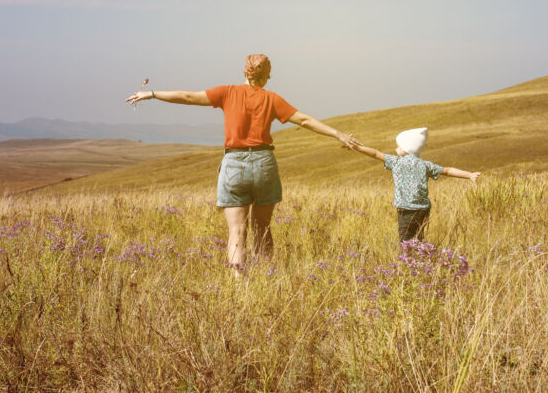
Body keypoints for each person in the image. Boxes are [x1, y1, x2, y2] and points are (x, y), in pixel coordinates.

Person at [126, 54, 359, 273]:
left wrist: (152, 94)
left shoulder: (227, 93)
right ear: (267, 75)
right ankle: (266, 279)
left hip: (234, 164)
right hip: (264, 163)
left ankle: (238, 284)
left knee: (237, 231)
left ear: (245, 72)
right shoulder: (272, 99)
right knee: (263, 230)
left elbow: (187, 97)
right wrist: (339, 134)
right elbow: (305, 120)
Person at [347, 127, 481, 244]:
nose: (396, 148)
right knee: (418, 238)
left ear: (406, 148)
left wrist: (356, 147)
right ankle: (420, 259)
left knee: (406, 241)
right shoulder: (425, 164)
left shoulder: (396, 162)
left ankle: (410, 264)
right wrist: (469, 175)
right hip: (423, 209)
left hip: (406, 209)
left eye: (398, 146)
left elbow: (375, 153)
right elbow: (447, 170)